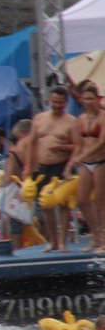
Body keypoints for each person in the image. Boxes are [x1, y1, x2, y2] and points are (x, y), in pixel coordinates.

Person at [28, 86, 78, 251]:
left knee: (63, 204)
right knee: (45, 205)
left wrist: (64, 149)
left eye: (60, 103)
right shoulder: (39, 119)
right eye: (54, 102)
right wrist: (28, 167)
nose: (57, 105)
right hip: (42, 167)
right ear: (50, 100)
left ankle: (63, 241)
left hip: (61, 165)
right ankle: (53, 241)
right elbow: (32, 144)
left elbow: (78, 147)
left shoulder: (71, 121)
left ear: (66, 103)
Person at [71, 83, 105, 252]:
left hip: (100, 161)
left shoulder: (103, 117)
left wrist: (85, 155)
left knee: (99, 202)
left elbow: (102, 142)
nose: (88, 102)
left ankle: (104, 240)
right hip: (85, 163)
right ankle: (96, 236)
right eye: (85, 99)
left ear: (97, 99)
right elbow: (78, 144)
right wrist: (71, 163)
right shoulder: (81, 119)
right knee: (82, 201)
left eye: (91, 99)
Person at [1, 119, 33, 249]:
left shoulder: (14, 152)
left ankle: (18, 252)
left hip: (20, 192)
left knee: (16, 230)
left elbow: (8, 177)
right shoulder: (37, 145)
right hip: (35, 188)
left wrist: (1, 193)